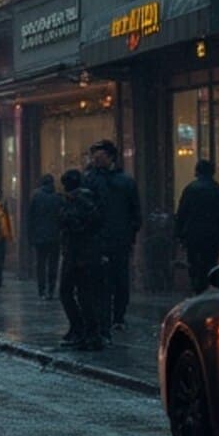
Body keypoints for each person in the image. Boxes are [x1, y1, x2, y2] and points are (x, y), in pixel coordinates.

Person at [86, 141, 141, 332]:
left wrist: (130, 232)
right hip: (98, 239)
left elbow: (135, 212)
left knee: (119, 279)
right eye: (94, 157)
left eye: (99, 157)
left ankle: (118, 316)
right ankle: (104, 316)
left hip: (119, 239)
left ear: (110, 157)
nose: (96, 160)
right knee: (100, 280)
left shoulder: (125, 181)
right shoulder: (90, 180)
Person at [56, 170, 106, 351]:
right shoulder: (87, 199)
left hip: (78, 254)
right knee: (82, 294)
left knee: (71, 293)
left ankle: (84, 331)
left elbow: (73, 224)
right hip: (85, 253)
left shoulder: (78, 201)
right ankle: (87, 331)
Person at [173, 159, 219, 293]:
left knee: (194, 263)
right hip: (212, 234)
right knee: (209, 262)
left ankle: (197, 287)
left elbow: (182, 213)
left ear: (197, 172)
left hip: (193, 233)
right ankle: (206, 286)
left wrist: (179, 233)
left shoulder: (191, 189)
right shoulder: (217, 189)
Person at [25, 174, 63, 300]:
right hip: (55, 236)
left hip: (39, 236)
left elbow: (30, 217)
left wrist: (30, 235)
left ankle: (41, 290)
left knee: (40, 264)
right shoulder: (58, 197)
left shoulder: (36, 197)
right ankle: (51, 289)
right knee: (53, 264)